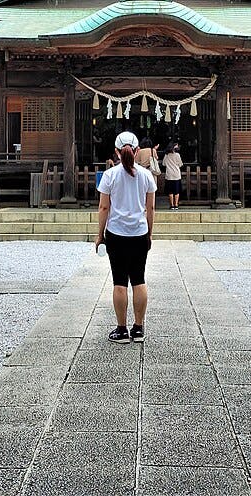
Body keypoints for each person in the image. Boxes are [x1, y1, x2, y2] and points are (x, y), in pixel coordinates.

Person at [95, 131, 156, 344]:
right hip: (139, 233)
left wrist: (99, 235)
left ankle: (121, 330)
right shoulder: (146, 175)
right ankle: (138, 329)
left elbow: (104, 207)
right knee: (139, 279)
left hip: (116, 233)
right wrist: (149, 233)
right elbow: (150, 207)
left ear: (116, 151)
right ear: (137, 151)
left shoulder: (110, 175)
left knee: (119, 282)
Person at [161, 142, 183, 210]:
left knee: (170, 191)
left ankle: (171, 205)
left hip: (169, 175)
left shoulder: (166, 155)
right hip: (176, 174)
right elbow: (180, 164)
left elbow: (163, 164)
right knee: (176, 190)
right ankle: (176, 205)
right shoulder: (177, 155)